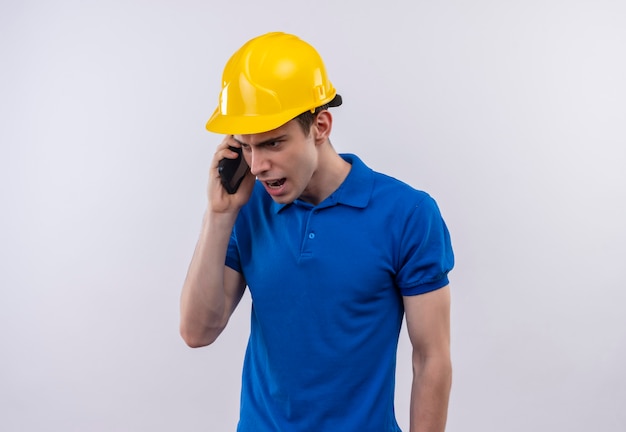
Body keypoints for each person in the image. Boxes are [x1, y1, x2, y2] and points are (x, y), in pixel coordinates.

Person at [180, 32, 454, 432]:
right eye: (247, 146)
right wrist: (219, 214)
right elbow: (197, 332)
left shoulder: (408, 214)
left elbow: (431, 358)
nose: (257, 166)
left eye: (273, 143)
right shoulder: (247, 205)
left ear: (320, 125)